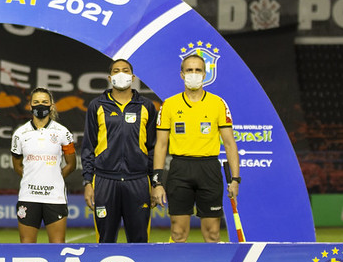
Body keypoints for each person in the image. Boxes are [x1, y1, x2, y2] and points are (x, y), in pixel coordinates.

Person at [151, 53, 240, 243]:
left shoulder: (218, 103)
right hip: (180, 169)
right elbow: (161, 145)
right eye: (189, 70)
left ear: (205, 74)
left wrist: (235, 179)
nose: (193, 74)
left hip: (209, 168)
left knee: (213, 234)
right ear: (182, 75)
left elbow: (230, 143)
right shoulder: (169, 104)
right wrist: (157, 183)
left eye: (198, 70)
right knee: (178, 233)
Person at [81, 59, 157, 243]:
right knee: (105, 241)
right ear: (109, 77)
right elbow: (88, 147)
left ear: (132, 77)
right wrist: (88, 182)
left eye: (125, 70)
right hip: (105, 181)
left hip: (138, 181)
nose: (121, 74)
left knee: (139, 241)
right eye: (116, 71)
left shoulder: (146, 106)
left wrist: (155, 183)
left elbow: (154, 148)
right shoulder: (96, 105)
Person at [11, 87, 77, 243]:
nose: (40, 105)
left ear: (51, 105)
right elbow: (17, 166)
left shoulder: (63, 132)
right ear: (30, 105)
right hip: (29, 196)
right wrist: (33, 178)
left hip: (55, 197)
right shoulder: (20, 134)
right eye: (37, 102)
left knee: (57, 246)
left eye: (45, 102)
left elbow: (71, 164)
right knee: (26, 247)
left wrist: (54, 179)